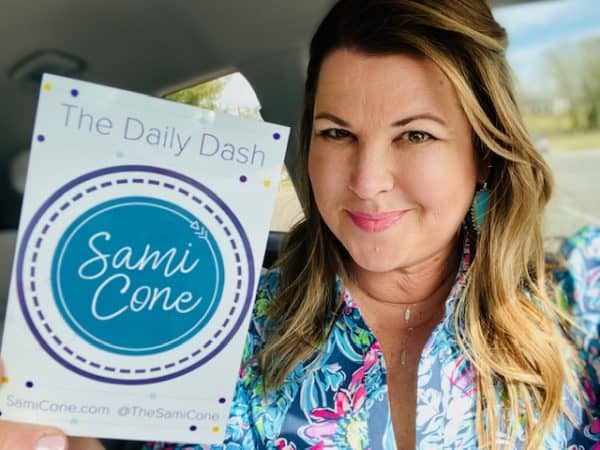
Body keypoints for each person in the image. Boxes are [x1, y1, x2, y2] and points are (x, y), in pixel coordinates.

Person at [1, 0, 599, 449]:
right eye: (336, 133)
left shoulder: (578, 302)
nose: (367, 181)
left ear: (484, 156)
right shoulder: (211, 323)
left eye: (415, 135)